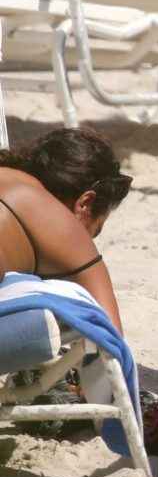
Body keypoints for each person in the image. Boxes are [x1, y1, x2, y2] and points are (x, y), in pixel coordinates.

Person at [0, 128, 132, 334]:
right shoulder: (57, 220)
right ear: (85, 204)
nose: (88, 242)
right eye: (94, 231)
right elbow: (111, 339)